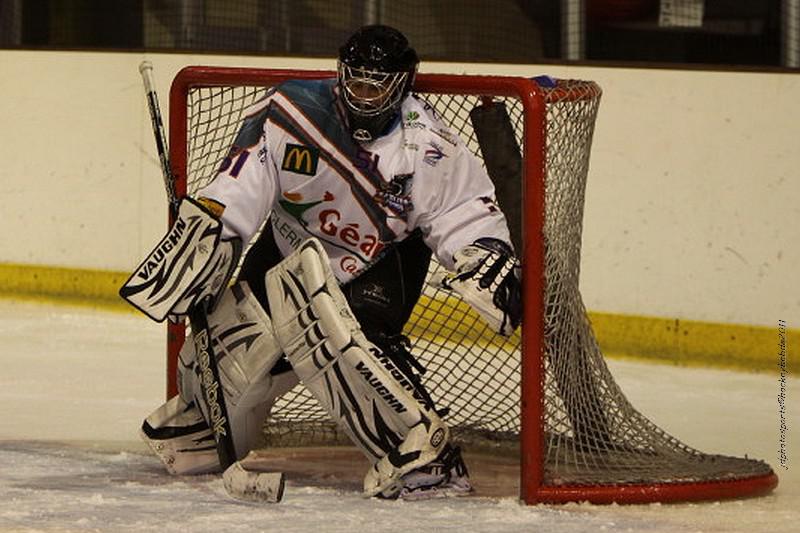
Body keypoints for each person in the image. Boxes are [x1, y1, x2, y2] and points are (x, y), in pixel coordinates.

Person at [121, 24, 522, 500]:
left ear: (401, 85)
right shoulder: (292, 110)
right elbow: (243, 178)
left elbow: (462, 209)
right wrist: (214, 233)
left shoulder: (430, 146)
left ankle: (423, 455)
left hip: (380, 259)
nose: (363, 96)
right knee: (239, 338)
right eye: (356, 83)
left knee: (346, 345)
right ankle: (208, 423)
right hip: (290, 243)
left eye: (377, 87)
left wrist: (484, 250)